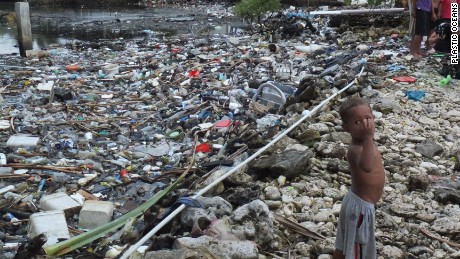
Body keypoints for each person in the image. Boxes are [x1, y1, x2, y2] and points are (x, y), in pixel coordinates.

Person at [333, 96, 385, 259]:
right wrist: (369, 137)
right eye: (357, 122)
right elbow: (367, 166)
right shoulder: (356, 148)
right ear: (346, 127)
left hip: (356, 204)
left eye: (368, 119)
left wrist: (369, 138)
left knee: (344, 245)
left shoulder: (365, 144)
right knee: (357, 251)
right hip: (360, 209)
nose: (364, 125)